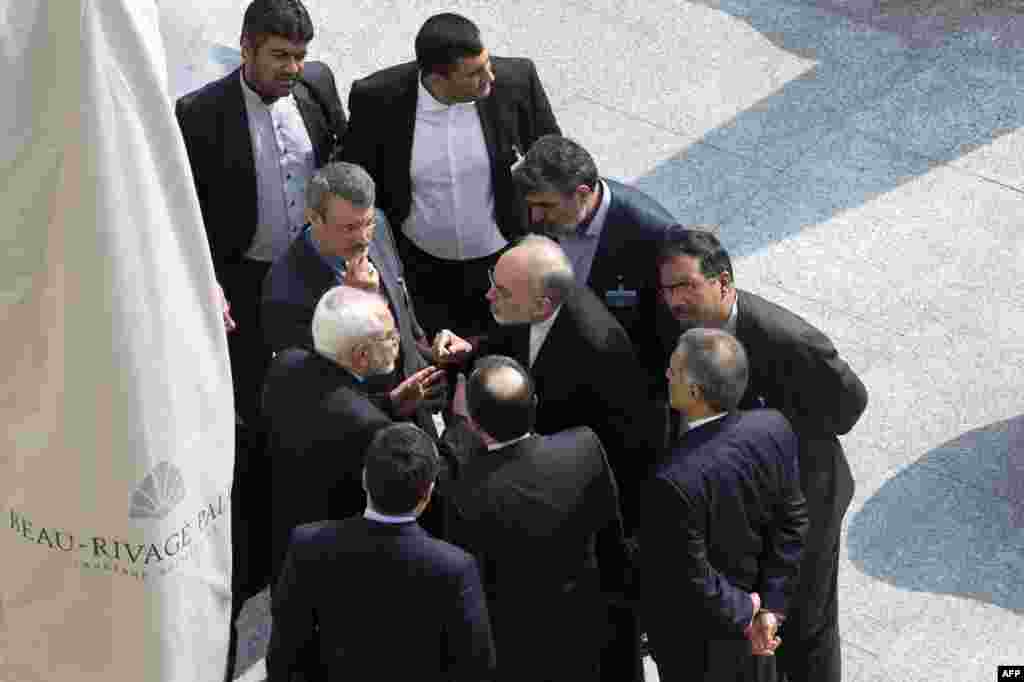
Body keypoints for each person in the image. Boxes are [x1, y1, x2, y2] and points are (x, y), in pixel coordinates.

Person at [656, 228, 869, 682]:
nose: (675, 300)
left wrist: (784, 443)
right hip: (746, 500)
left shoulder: (789, 341)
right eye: (667, 289)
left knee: (806, 621)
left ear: (724, 283)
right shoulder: (682, 327)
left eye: (686, 286)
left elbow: (849, 404)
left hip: (808, 495)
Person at [475, 234, 656, 682]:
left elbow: (627, 457)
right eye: (492, 284)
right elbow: (509, 338)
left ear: (544, 304)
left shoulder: (600, 350)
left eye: (502, 292)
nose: (488, 296)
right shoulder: (529, 303)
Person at [176, 0, 346, 430]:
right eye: (280, 56)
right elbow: (185, 209)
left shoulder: (317, 86)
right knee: (253, 397)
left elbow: (341, 165)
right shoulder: (198, 114)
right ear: (246, 49)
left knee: (327, 387)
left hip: (316, 270)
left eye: (300, 56)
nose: (293, 68)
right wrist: (207, 281)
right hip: (244, 281)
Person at [341, 12, 561, 337]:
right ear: (436, 79)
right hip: (420, 268)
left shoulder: (517, 81)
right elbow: (357, 182)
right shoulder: (376, 99)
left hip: (503, 261)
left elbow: (554, 160)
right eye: (474, 73)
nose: (490, 77)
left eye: (487, 64)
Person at [443, 355, 628, 681]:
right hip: (586, 624)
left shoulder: (465, 493)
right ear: (535, 403)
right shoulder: (585, 446)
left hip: (516, 647)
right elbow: (611, 539)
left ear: (473, 423)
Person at [640, 328, 809, 681]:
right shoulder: (774, 428)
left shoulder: (673, 481)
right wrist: (772, 608)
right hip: (760, 631)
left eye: (673, 370)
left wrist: (747, 613)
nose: (666, 375)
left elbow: (692, 575)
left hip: (699, 644)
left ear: (695, 392)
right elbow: (792, 522)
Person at [267, 422, 496, 681]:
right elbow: (475, 667)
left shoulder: (307, 545)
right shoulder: (455, 567)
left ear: (365, 478)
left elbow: (284, 654)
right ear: (428, 494)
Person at [261, 286, 445, 586]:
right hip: (339, 569)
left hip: (287, 547)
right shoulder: (373, 430)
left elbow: (327, 406)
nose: (398, 340)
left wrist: (389, 402)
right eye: (389, 336)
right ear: (361, 355)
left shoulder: (286, 364)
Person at [261, 162, 469, 390]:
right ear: (314, 218)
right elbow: (326, 392)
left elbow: (404, 315)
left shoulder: (379, 226)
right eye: (349, 228)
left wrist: (433, 350)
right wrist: (361, 304)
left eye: (367, 223)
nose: (363, 238)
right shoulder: (286, 292)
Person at [511, 134, 677, 399]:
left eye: (545, 206)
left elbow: (670, 336)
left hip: (624, 390)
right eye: (532, 205)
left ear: (582, 194)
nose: (535, 217)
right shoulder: (545, 213)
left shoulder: (654, 236)